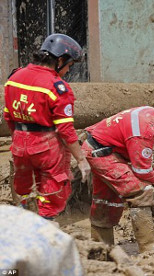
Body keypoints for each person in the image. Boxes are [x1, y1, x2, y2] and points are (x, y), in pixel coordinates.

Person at [82, 94, 154, 253]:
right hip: (103, 154)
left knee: (106, 200)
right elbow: (142, 171)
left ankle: (101, 248)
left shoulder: (150, 117)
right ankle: (148, 247)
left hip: (103, 149)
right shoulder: (145, 130)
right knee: (141, 191)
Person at [3, 33, 91, 221]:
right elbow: (66, 130)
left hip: (19, 143)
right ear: (60, 60)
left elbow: (8, 116)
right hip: (48, 147)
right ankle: (46, 228)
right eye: (69, 65)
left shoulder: (14, 78)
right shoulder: (58, 87)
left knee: (23, 187)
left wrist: (19, 138)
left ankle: (25, 221)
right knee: (53, 191)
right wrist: (81, 160)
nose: (68, 70)